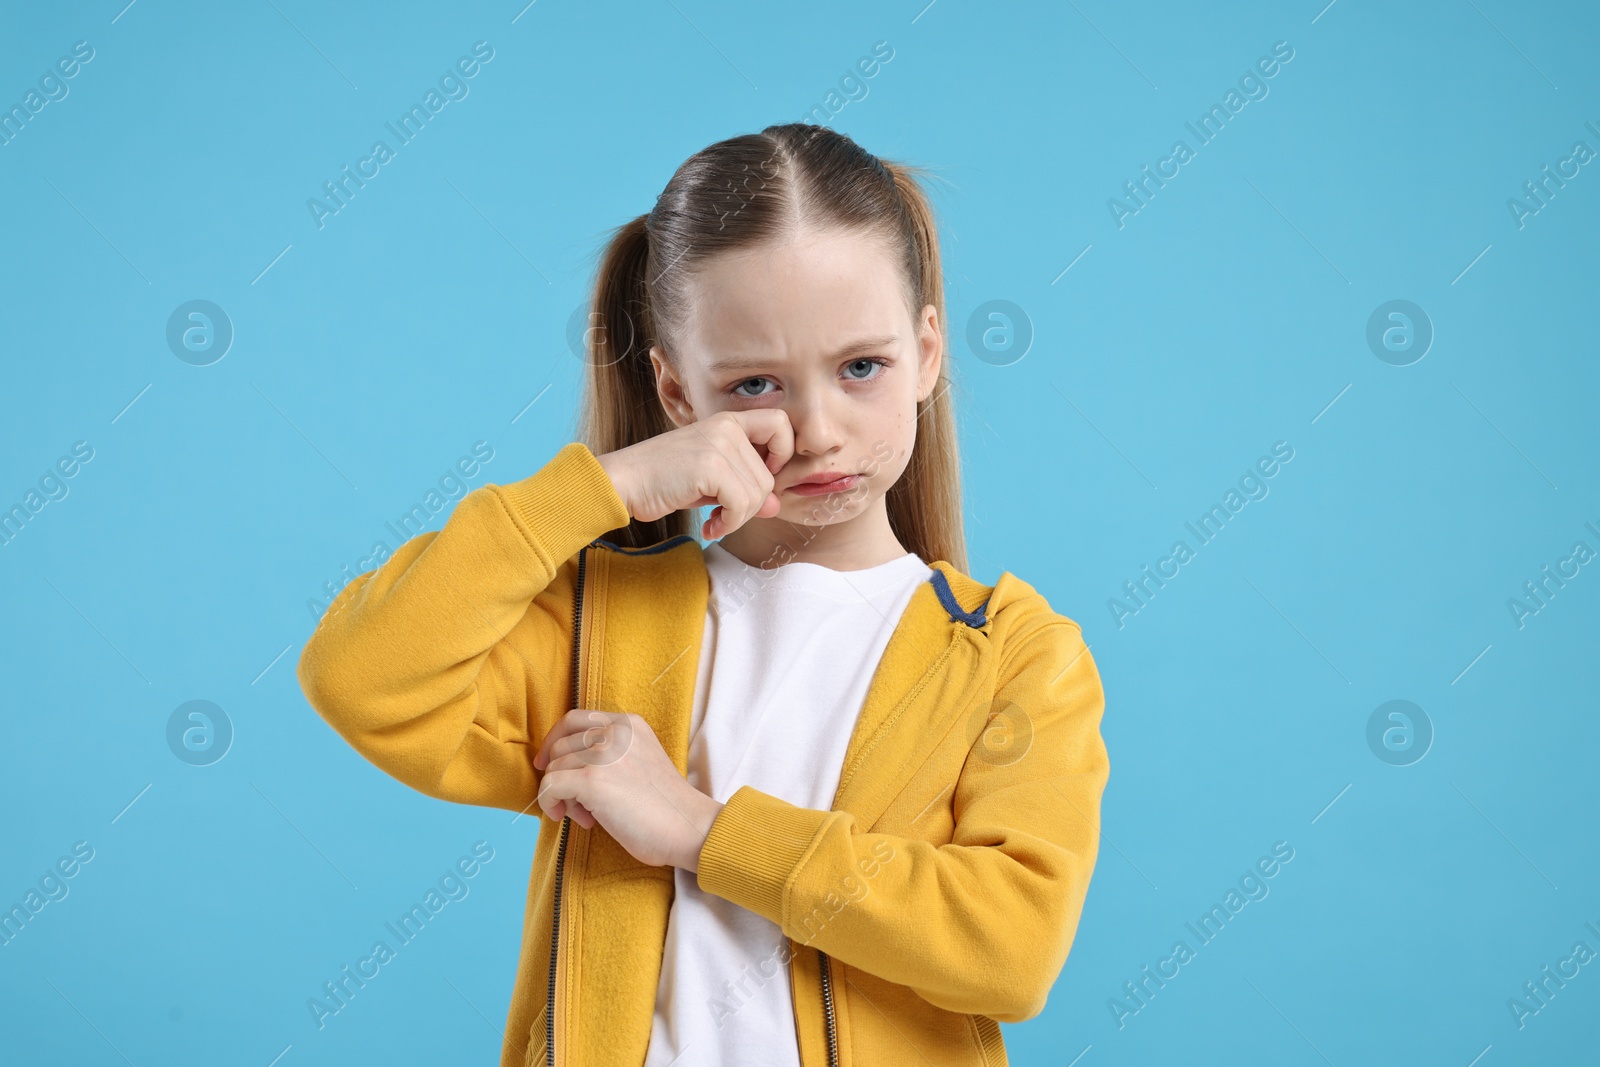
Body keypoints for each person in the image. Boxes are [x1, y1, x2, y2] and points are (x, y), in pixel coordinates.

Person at [297, 121, 1110, 1067]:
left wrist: (702, 830)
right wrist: (602, 489)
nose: (816, 429)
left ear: (927, 352)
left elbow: (1008, 949)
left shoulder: (1009, 651)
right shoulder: (600, 622)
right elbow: (360, 676)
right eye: (755, 382)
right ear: (678, 396)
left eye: (861, 367)